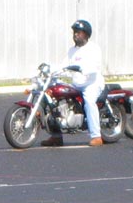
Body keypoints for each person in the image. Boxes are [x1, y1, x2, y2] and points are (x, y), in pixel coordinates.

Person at [43, 19, 105, 147]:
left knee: (89, 102)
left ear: (86, 34)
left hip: (91, 83)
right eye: (74, 32)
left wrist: (83, 69)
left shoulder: (93, 48)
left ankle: (96, 136)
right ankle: (56, 136)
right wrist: (51, 70)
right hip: (76, 82)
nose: (75, 34)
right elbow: (63, 66)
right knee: (54, 95)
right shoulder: (72, 50)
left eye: (79, 32)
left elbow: (95, 66)